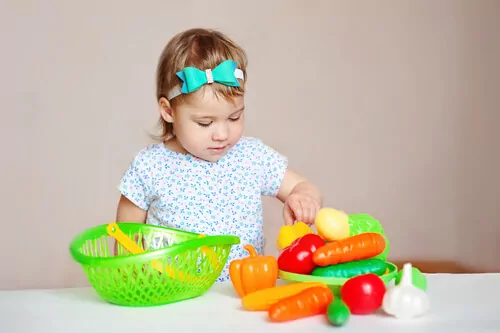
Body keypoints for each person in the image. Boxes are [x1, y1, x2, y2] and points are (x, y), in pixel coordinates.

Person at [115, 27, 323, 282]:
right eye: (205, 123)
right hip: (170, 299)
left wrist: (303, 198)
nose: (222, 134)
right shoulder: (149, 167)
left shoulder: (251, 156)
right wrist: (130, 280)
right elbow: (126, 237)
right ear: (168, 112)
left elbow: (301, 186)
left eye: (234, 117)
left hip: (241, 295)